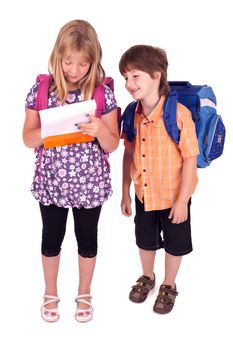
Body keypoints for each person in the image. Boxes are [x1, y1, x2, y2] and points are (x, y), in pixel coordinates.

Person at [23, 19, 119, 323]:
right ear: (57, 56)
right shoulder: (41, 91)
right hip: (51, 182)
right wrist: (49, 130)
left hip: (90, 185)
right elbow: (27, 138)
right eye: (68, 62)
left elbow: (113, 144)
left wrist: (100, 128)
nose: (74, 70)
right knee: (51, 238)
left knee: (87, 239)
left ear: (93, 61)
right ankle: (50, 292)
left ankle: (84, 293)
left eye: (82, 63)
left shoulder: (102, 94)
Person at [119, 45, 199, 314]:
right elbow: (128, 153)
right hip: (144, 194)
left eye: (135, 76)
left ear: (156, 75)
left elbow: (190, 159)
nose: (129, 84)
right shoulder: (132, 114)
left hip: (174, 196)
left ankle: (169, 283)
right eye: (126, 77)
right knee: (145, 239)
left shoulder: (178, 114)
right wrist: (125, 191)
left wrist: (182, 201)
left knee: (175, 244)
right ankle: (147, 276)